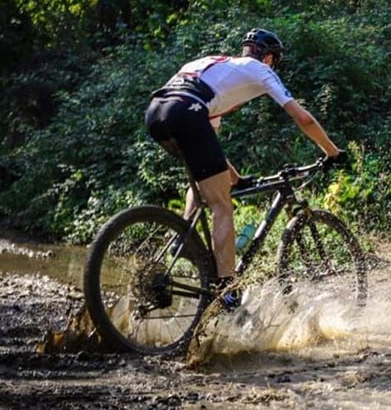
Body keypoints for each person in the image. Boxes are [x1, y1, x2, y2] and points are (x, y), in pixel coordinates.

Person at [144, 28, 345, 309]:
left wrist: (236, 179)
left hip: (157, 112)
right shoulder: (259, 70)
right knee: (222, 206)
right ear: (269, 57)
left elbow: (209, 151)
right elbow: (303, 118)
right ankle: (227, 289)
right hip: (187, 113)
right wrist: (332, 152)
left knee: (205, 183)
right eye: (274, 60)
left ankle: (182, 238)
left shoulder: (215, 67)